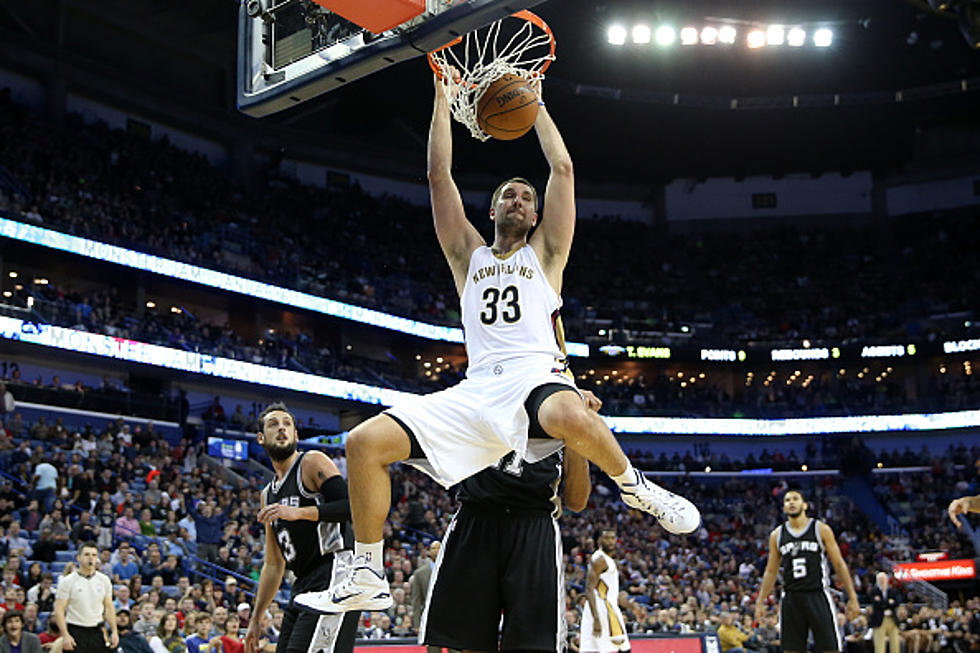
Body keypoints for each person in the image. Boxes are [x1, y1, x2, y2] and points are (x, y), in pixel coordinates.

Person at [298, 66, 699, 615]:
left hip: (537, 375)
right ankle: (367, 570)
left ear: (535, 215)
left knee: (571, 416)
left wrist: (534, 105)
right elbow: (440, 175)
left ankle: (635, 487)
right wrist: (442, 100)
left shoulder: (547, 255)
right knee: (364, 443)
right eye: (507, 195)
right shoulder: (468, 256)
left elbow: (562, 166)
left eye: (525, 198)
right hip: (478, 389)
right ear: (492, 210)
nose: (516, 200)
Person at [420, 420, 591, 653]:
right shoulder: (486, 392)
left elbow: (577, 501)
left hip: (532, 525)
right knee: (469, 641)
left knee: (532, 644)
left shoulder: (561, 411)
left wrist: (577, 433)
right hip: (476, 517)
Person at [243, 403, 358, 653]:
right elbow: (273, 564)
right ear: (261, 438)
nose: (281, 428)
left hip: (335, 570)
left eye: (287, 424)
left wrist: (299, 513)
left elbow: (351, 506)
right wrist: (255, 619)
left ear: (296, 435)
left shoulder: (311, 462)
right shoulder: (268, 495)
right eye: (273, 424)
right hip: (302, 581)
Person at [754, 489, 860, 653]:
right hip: (791, 597)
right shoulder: (777, 535)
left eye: (795, 499)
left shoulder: (821, 529)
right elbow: (770, 571)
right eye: (787, 500)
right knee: (791, 650)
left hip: (817, 594)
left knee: (830, 649)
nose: (791, 502)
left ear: (804, 505)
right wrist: (760, 601)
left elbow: (839, 564)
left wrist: (852, 597)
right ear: (783, 507)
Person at [53, 542, 119, 652]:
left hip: (97, 631)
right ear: (78, 557)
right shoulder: (67, 581)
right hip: (75, 630)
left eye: (93, 555)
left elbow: (109, 607)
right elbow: (59, 610)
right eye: (87, 554)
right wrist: (65, 635)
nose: (91, 558)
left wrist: (114, 631)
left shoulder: (104, 580)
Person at [580, 529, 631, 653]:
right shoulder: (600, 560)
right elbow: (589, 589)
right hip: (602, 608)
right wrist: (596, 618)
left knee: (594, 648)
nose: (610, 541)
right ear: (599, 541)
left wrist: (631, 606)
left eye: (613, 538)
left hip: (606, 605)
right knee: (623, 647)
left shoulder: (606, 558)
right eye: (607, 538)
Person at [869, 572, 901, 653]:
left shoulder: (892, 590)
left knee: (895, 644)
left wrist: (882, 602)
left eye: (883, 579)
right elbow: (876, 604)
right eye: (880, 579)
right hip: (879, 620)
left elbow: (897, 603)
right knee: (879, 645)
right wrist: (889, 602)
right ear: (877, 581)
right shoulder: (874, 591)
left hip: (892, 619)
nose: (882, 581)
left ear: (887, 580)